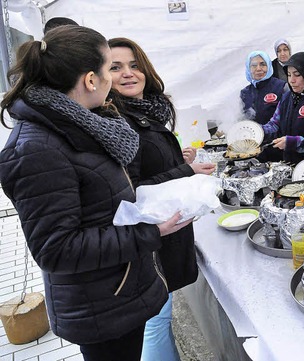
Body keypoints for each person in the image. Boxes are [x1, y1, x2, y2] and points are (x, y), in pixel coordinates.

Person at [0, 26, 191, 361]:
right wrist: (149, 232)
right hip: (100, 306)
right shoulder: (37, 147)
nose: (114, 79)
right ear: (91, 80)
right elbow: (56, 249)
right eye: (109, 70)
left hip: (117, 291)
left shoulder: (83, 123)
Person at [107, 37, 216, 361]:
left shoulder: (144, 112)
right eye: (116, 67)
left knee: (158, 317)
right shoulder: (119, 122)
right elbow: (133, 190)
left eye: (134, 65)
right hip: (148, 244)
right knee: (156, 322)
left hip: (160, 237)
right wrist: (186, 170)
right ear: (100, 75)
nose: (128, 73)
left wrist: (176, 159)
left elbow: (149, 164)